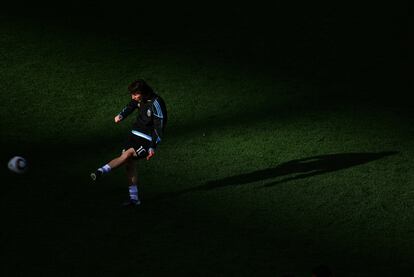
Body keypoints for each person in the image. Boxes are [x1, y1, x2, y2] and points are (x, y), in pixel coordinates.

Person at [90, 79, 167, 206]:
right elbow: (131, 105)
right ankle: (134, 199)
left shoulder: (157, 103)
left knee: (127, 155)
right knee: (129, 164)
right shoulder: (139, 99)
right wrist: (121, 115)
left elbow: (160, 127)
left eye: (135, 94)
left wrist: (153, 146)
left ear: (143, 92)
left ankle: (101, 171)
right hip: (134, 134)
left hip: (147, 139)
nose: (133, 97)